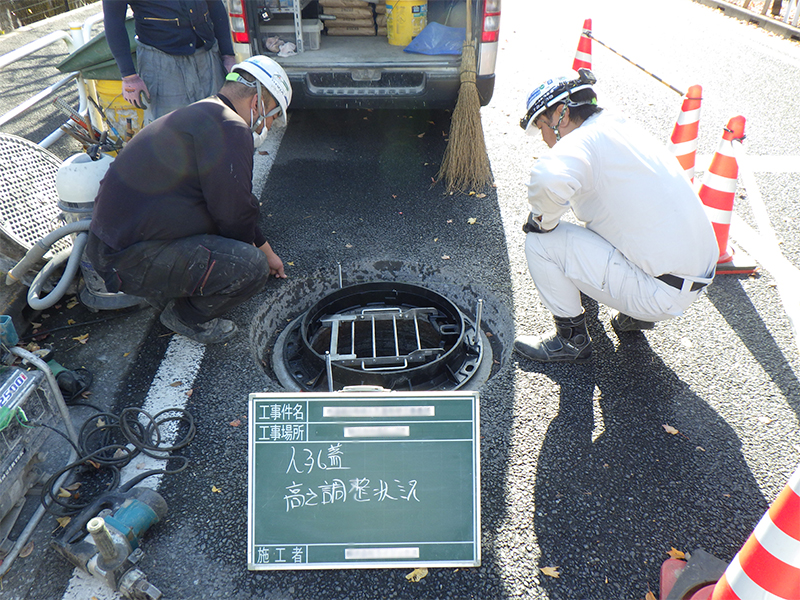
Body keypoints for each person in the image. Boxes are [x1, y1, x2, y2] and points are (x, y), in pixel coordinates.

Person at [514, 69, 718, 364]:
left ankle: (571, 342)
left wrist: (540, 221)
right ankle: (633, 314)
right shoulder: (617, 124)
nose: (545, 139)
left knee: (540, 242)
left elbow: (547, 179)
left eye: (543, 127)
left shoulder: (580, 144)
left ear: (562, 114)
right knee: (606, 214)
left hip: (660, 291)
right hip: (693, 273)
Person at [85, 55, 292, 344]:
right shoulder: (231, 128)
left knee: (238, 234)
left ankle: (164, 289)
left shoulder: (203, 113)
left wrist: (265, 245)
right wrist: (260, 255)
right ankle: (184, 316)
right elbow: (233, 216)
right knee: (249, 266)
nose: (264, 127)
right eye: (270, 117)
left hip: (111, 246)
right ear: (256, 104)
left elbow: (233, 200)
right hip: (126, 259)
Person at [103, 0, 238, 122]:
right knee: (173, 134)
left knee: (220, 125)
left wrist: (228, 55)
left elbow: (215, 5)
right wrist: (130, 77)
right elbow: (113, 19)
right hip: (161, 64)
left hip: (208, 58)